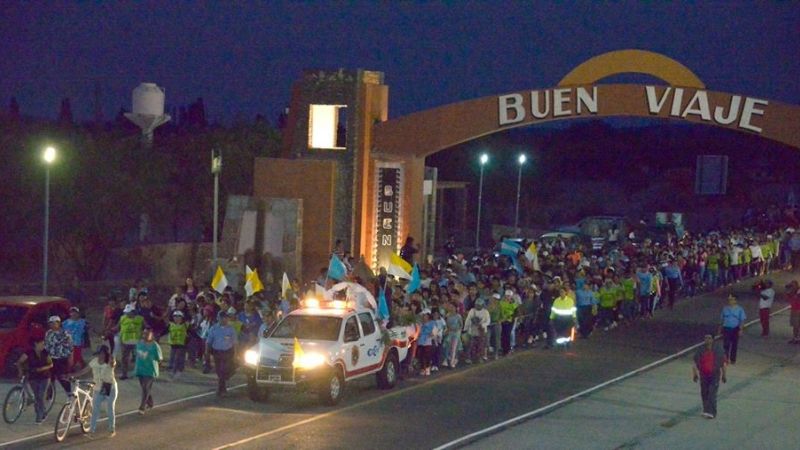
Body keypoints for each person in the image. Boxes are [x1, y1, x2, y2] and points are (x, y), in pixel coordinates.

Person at [71, 345, 117, 436]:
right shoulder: (94, 362)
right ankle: (92, 430)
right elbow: (84, 371)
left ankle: (112, 429)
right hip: (98, 388)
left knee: (110, 408)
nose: (100, 356)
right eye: (99, 354)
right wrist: (72, 375)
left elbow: (113, 363)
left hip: (109, 387)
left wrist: (111, 358)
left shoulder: (109, 362)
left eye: (102, 354)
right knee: (95, 410)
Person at [15, 336, 53, 424]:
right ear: (36, 344)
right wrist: (20, 371)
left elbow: (51, 364)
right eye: (42, 343)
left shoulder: (45, 352)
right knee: (37, 396)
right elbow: (19, 362)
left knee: (40, 395)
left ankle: (39, 416)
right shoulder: (29, 352)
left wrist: (42, 368)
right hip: (33, 376)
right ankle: (41, 412)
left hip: (45, 377)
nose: (43, 345)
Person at [692, 334, 727, 419]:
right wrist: (695, 374)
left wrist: (724, 375)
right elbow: (695, 362)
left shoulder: (718, 350)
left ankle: (712, 412)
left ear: (712, 340)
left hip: (714, 374)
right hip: (703, 374)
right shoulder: (700, 350)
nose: (707, 340)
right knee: (704, 393)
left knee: (712, 393)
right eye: (705, 338)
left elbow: (723, 363)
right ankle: (705, 410)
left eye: (709, 338)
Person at [206, 311, 238, 396]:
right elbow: (209, 341)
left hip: (227, 352)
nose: (223, 319)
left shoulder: (231, 329)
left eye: (225, 318)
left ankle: (221, 388)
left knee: (224, 370)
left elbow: (235, 343)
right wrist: (207, 353)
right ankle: (222, 388)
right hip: (217, 352)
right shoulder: (213, 328)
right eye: (221, 318)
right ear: (218, 318)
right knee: (219, 370)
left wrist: (236, 354)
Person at [134, 326, 162, 414]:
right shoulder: (139, 343)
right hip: (140, 369)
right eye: (144, 333)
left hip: (150, 370)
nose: (145, 335)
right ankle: (150, 401)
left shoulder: (155, 346)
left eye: (147, 334)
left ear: (152, 335)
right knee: (144, 388)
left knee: (146, 388)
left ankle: (142, 407)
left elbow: (159, 359)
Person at [44, 315, 73, 394]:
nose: (52, 325)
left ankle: (69, 393)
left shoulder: (65, 333)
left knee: (62, 377)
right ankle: (49, 394)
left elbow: (70, 347)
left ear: (59, 323)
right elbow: (46, 345)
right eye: (51, 323)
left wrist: (70, 358)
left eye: (54, 323)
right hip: (51, 358)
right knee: (50, 377)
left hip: (61, 358)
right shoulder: (48, 333)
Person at [118, 304, 144, 380]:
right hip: (125, 341)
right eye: (126, 312)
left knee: (139, 358)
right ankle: (124, 374)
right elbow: (118, 327)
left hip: (136, 342)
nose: (126, 314)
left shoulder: (140, 319)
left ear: (133, 312)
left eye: (128, 312)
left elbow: (146, 327)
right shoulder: (122, 318)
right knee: (124, 359)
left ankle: (139, 373)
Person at [719, 295, 746, 364]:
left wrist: (741, 329)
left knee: (734, 345)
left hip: (735, 329)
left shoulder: (740, 309)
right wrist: (720, 328)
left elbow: (742, 320)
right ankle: (726, 359)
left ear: (735, 301)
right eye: (729, 300)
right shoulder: (725, 308)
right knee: (726, 344)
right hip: (726, 328)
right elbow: (722, 319)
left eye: (731, 300)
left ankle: (733, 359)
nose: (730, 301)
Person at [464, 299, 490, 363]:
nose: (477, 306)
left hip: (482, 330)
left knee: (481, 345)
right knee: (471, 344)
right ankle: (469, 357)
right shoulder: (472, 311)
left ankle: (479, 357)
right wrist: (466, 329)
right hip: (472, 330)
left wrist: (482, 325)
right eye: (476, 305)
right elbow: (468, 320)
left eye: (479, 305)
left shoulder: (485, 312)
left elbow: (488, 321)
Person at [167, 311, 189, 379]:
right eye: (175, 316)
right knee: (173, 358)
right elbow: (164, 331)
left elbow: (192, 333)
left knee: (178, 358)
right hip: (173, 344)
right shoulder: (170, 325)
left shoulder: (186, 325)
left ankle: (176, 371)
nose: (176, 318)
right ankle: (174, 370)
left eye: (178, 316)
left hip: (182, 344)